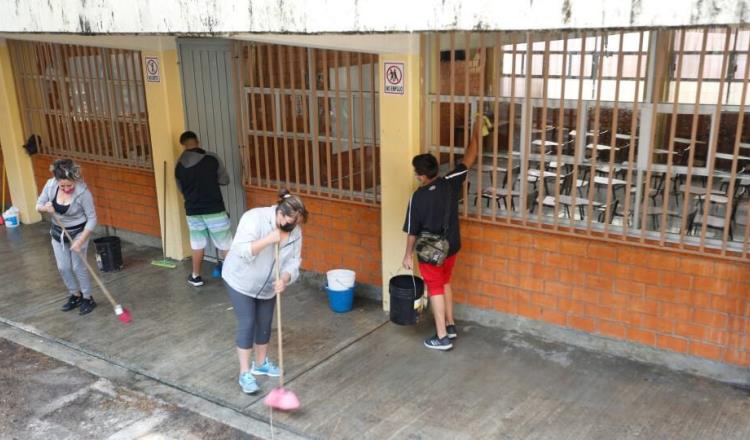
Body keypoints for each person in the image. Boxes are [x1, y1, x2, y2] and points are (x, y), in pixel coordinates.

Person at [402, 115, 484, 351]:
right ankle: (450, 325)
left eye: (416, 172)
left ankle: (441, 337)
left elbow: (412, 231)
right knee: (446, 282)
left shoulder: (417, 197)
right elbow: (470, 158)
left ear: (420, 175)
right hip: (451, 247)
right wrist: (476, 130)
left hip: (431, 252)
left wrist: (408, 255)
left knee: (435, 288)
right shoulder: (450, 181)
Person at [221, 189, 308, 394]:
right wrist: (269, 239)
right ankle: (245, 373)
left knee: (265, 323)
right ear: (280, 212)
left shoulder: (295, 231)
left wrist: (285, 278)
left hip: (268, 285)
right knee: (248, 322)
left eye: (296, 221)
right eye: (289, 220)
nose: (292, 225)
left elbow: (294, 261)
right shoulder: (254, 218)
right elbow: (241, 251)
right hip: (240, 280)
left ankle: (260, 364)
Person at [36, 159, 98, 315]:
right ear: (57, 181)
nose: (66, 188)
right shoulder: (51, 185)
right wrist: (45, 208)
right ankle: (75, 295)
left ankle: (87, 297)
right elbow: (38, 205)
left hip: (79, 232)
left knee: (78, 267)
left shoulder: (83, 192)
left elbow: (92, 219)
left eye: (69, 185)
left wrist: (81, 240)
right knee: (63, 267)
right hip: (58, 232)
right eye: (62, 185)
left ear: (75, 179)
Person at [175, 131, 233, 287]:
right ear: (197, 141)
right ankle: (233, 279)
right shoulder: (211, 158)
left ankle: (195, 276)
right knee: (225, 244)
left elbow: (181, 189)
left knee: (197, 244)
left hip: (193, 211)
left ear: (183, 144)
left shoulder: (178, 164)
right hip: (214, 209)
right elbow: (225, 180)